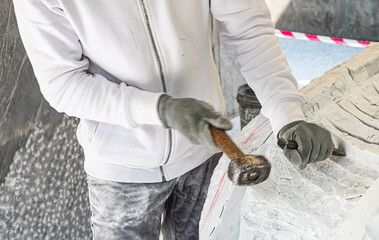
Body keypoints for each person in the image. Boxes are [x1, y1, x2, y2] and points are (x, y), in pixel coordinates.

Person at [13, 0, 334, 239]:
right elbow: (63, 83)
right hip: (121, 170)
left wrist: (287, 113)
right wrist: (159, 109)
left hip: (204, 154)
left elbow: (249, 30)